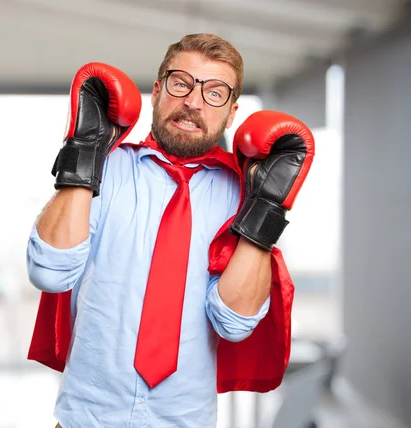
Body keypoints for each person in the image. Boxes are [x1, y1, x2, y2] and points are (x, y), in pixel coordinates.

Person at [26, 33, 314, 427]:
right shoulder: (106, 169)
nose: (193, 102)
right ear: (158, 91)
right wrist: (84, 150)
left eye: (215, 92)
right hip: (86, 419)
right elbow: (49, 272)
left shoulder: (243, 197)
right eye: (181, 83)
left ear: (231, 113)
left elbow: (234, 323)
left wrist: (264, 209)